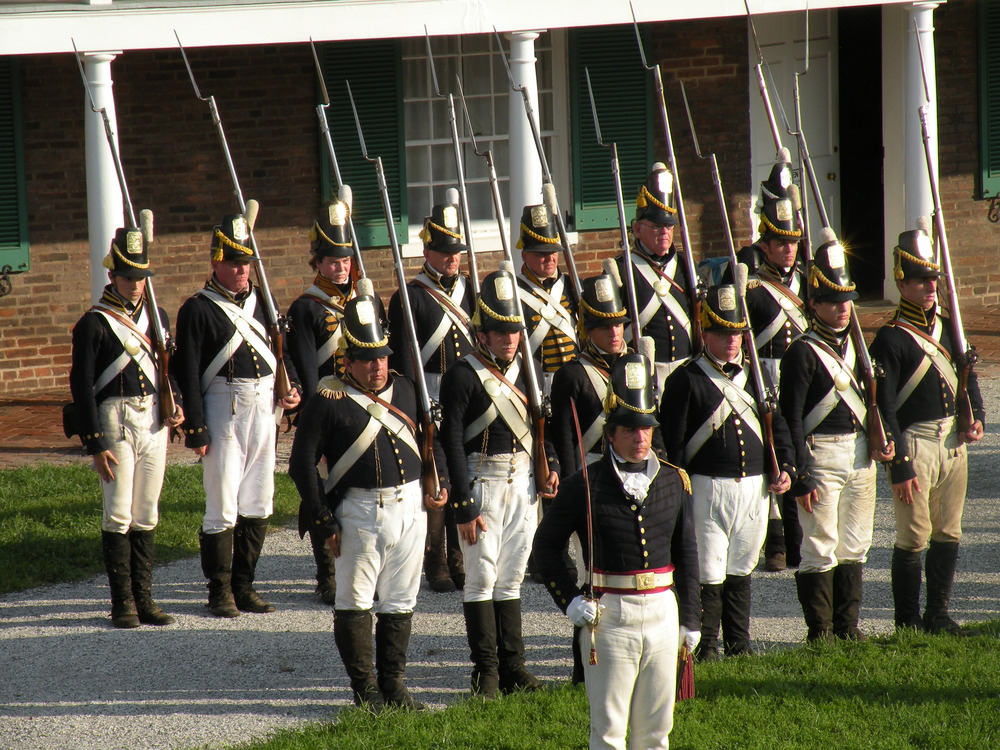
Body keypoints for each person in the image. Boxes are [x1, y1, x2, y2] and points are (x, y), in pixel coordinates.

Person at [533, 352, 700, 750]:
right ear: (610, 434)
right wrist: (570, 599)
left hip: (663, 612)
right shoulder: (583, 484)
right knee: (609, 731)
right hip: (610, 616)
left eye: (646, 429)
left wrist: (691, 618)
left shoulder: (675, 481)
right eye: (629, 430)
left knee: (656, 731)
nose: (640, 438)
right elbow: (545, 545)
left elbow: (687, 552)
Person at [288, 295, 446, 709]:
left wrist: (441, 480)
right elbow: (301, 464)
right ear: (348, 361)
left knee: (401, 599)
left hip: (410, 506)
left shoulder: (406, 388)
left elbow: (431, 442)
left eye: (382, 357)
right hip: (359, 511)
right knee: (355, 601)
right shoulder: (328, 400)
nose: (377, 366)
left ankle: (394, 686)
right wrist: (323, 519)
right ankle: (365, 690)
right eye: (367, 359)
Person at [173, 213, 301, 618]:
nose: (241, 270)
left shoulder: (265, 301)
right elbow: (188, 372)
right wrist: (196, 428)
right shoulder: (197, 309)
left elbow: (282, 353)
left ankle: (244, 586)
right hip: (222, 406)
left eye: (245, 262)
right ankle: (219, 590)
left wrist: (293, 385)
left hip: (264, 407)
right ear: (216, 263)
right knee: (223, 503)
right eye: (233, 262)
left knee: (259, 500)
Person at [439, 268, 559, 698]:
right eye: (500, 332)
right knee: (480, 578)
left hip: (523, 483)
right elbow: (451, 442)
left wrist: (553, 464)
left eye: (514, 331)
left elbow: (543, 427)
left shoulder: (531, 369)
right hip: (482, 484)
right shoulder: (462, 375)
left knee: (511, 577)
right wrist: (463, 504)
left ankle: (513, 668)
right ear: (482, 334)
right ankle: (485, 673)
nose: (510, 339)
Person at [660, 284, 794, 661]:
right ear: (705, 334)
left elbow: (778, 426)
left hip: (753, 487)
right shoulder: (686, 378)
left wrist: (786, 466)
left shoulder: (756, 375)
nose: (731, 340)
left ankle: (739, 643)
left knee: (741, 566)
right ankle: (707, 646)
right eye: (722, 332)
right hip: (707, 486)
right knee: (709, 569)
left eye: (736, 332)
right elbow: (673, 443)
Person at [869, 219, 985, 634]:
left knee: (948, 531)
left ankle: (938, 612)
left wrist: (978, 417)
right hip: (915, 445)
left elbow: (967, 375)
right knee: (913, 536)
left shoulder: (949, 326)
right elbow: (884, 407)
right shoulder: (890, 339)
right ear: (902, 284)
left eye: (932, 278)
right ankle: (907, 620)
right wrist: (899, 464)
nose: (930, 286)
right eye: (920, 280)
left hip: (952, 438)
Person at [778, 234, 894, 641]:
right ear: (814, 304)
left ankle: (848, 626)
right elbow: (791, 418)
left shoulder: (859, 347)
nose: (843, 308)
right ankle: (821, 631)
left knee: (855, 542)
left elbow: (875, 403)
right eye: (833, 301)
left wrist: (883, 438)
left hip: (859, 451)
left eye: (846, 300)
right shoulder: (801, 352)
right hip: (821, 453)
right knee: (819, 543)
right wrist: (801, 473)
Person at [69, 223, 184, 628]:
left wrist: (176, 403)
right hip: (114, 419)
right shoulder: (94, 323)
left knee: (147, 511)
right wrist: (95, 442)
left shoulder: (158, 316)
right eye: (129, 277)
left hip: (152, 418)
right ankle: (123, 603)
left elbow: (168, 370)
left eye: (141, 277)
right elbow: (81, 385)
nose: (136, 285)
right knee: (118, 513)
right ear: (113, 275)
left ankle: (145, 599)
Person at [287, 198, 384, 606]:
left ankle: (365, 567)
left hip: (365, 406)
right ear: (318, 263)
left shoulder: (367, 301)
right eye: (332, 261)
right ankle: (326, 574)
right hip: (329, 407)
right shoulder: (305, 308)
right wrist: (315, 418)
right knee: (325, 489)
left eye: (345, 260)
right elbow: (307, 369)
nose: (340, 267)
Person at [388, 202, 473, 594]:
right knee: (437, 478)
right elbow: (405, 360)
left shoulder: (471, 290)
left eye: (456, 252)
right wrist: (415, 404)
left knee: (463, 473)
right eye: (444, 251)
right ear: (427, 251)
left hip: (467, 395)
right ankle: (436, 562)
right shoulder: (410, 296)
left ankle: (460, 558)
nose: (452, 258)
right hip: (431, 393)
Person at [743, 154, 809, 573]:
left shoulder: (809, 281)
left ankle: (799, 538)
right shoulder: (751, 285)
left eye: (792, 242)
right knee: (771, 455)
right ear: (764, 245)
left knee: (800, 453)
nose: (787, 249)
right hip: (764, 377)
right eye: (780, 242)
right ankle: (775, 542)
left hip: (802, 380)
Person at [616, 163, 697, 392]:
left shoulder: (685, 265)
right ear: (637, 229)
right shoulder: (621, 268)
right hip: (643, 373)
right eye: (656, 227)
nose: (664, 232)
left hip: (686, 368)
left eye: (669, 227)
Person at [550, 267, 629, 475]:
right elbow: (564, 437)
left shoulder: (635, 365)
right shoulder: (571, 374)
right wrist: (570, 481)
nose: (614, 333)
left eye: (618, 325)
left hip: (631, 462)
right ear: (589, 331)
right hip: (592, 466)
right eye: (605, 327)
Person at [515, 203, 579, 393]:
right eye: (541, 254)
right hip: (539, 381)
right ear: (525, 256)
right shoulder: (514, 290)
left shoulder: (573, 285)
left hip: (576, 376)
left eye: (552, 252)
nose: (550, 258)